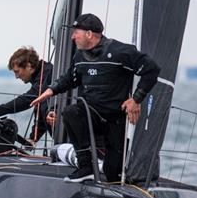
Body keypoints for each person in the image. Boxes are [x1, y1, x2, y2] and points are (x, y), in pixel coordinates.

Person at [31, 13, 160, 183]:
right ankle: (86, 167)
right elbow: (71, 78)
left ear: (89, 34)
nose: (73, 37)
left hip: (116, 118)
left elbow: (151, 70)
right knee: (71, 112)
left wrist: (136, 99)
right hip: (92, 115)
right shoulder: (79, 56)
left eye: (76, 32)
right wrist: (51, 90)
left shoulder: (120, 52)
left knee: (112, 172)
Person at [0, 46, 54, 143]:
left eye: (17, 71)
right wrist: (33, 138)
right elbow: (41, 105)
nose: (16, 77)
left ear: (28, 66)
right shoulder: (42, 74)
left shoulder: (47, 74)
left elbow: (28, 99)